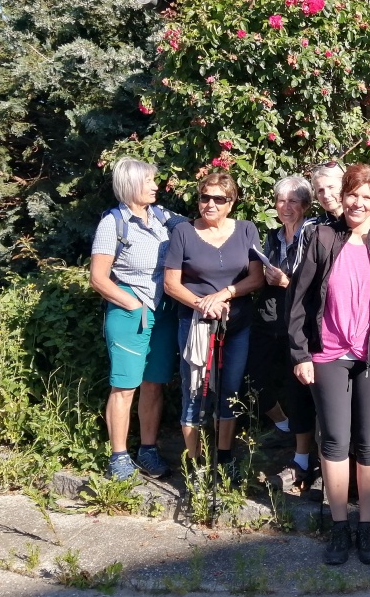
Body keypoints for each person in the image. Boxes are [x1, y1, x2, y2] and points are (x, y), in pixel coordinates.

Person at [288, 164, 370, 566]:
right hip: (328, 355)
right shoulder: (323, 236)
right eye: (352, 194)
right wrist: (301, 354)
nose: (357, 203)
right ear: (342, 197)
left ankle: (367, 527)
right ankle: (340, 526)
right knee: (335, 441)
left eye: (366, 197)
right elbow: (301, 300)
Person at [89, 158, 186, 480]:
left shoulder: (163, 218)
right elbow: (98, 278)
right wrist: (132, 304)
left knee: (154, 384)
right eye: (149, 182)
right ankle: (118, 457)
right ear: (132, 185)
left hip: (165, 312)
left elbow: (197, 232)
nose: (156, 186)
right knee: (124, 386)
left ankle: (148, 450)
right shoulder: (113, 224)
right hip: (130, 313)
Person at [163, 172, 265, 475]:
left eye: (218, 198)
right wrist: (202, 304)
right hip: (195, 324)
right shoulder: (183, 232)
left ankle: (223, 457)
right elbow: (171, 284)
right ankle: (194, 463)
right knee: (194, 390)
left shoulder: (247, 230)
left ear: (230, 203)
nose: (209, 204)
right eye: (204, 197)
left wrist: (225, 294)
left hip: (236, 324)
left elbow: (256, 278)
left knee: (230, 391)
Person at [250, 177, 319, 496]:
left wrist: (285, 281)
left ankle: (302, 456)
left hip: (300, 321)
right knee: (254, 377)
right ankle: (282, 425)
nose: (286, 207)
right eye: (281, 201)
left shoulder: (314, 235)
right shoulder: (272, 237)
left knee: (298, 388)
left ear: (305, 206)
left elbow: (317, 286)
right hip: (269, 316)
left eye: (293, 201)